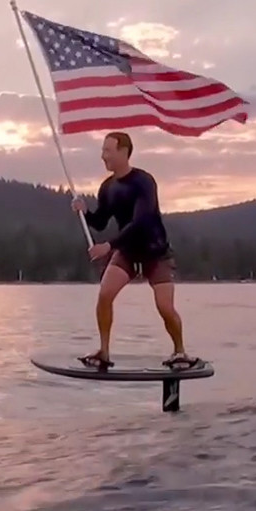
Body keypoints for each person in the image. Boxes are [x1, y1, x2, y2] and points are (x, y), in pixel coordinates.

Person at [70, 131, 199, 371]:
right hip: (127, 252)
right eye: (103, 151)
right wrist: (84, 212)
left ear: (124, 151)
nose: (103, 156)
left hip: (155, 251)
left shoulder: (144, 182)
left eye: (107, 151)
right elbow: (100, 222)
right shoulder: (107, 187)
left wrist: (108, 246)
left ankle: (180, 351)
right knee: (105, 295)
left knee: (165, 307)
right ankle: (104, 351)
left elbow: (140, 222)